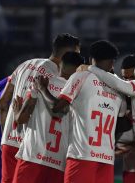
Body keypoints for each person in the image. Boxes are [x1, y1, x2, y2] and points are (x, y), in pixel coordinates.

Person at [0, 33, 80, 183]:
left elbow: (3, 102)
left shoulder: (25, 64)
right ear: (70, 54)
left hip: (9, 139)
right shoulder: (58, 77)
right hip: (33, 147)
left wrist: (5, 134)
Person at [53, 40, 126, 183]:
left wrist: (42, 90)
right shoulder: (119, 87)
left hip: (82, 155)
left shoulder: (81, 76)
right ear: (112, 63)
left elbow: (58, 107)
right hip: (106, 158)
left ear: (92, 59)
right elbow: (122, 123)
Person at [12, 52, 84, 183]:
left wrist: (16, 112)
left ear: (60, 65)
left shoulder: (40, 82)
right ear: (79, 69)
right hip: (59, 163)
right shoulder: (79, 92)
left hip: (32, 156)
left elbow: (21, 119)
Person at [117, 54, 135, 183]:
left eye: (132, 78)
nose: (127, 83)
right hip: (131, 169)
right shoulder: (119, 100)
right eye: (124, 78)